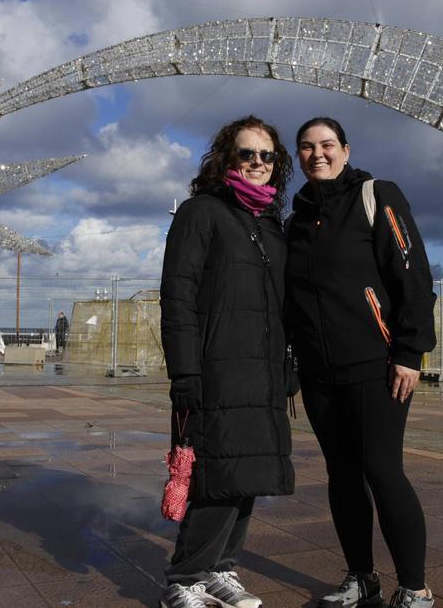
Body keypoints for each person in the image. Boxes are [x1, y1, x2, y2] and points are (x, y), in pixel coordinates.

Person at [285, 117, 437, 608]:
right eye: (306, 147)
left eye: (327, 144)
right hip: (319, 372)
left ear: (346, 150)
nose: (317, 154)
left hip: (375, 364)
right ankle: (361, 577)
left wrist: (409, 352)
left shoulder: (377, 195)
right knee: (342, 476)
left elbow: (412, 275)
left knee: (383, 471)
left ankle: (414, 587)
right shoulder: (297, 219)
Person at [159, 116, 296, 608]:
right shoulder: (201, 212)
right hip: (216, 369)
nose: (258, 162)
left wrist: (289, 363)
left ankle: (220, 568)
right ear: (226, 158)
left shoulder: (270, 225)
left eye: (267, 155)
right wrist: (185, 372)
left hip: (263, 372)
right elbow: (178, 296)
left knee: (248, 473)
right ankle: (184, 579)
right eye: (247, 153)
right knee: (217, 475)